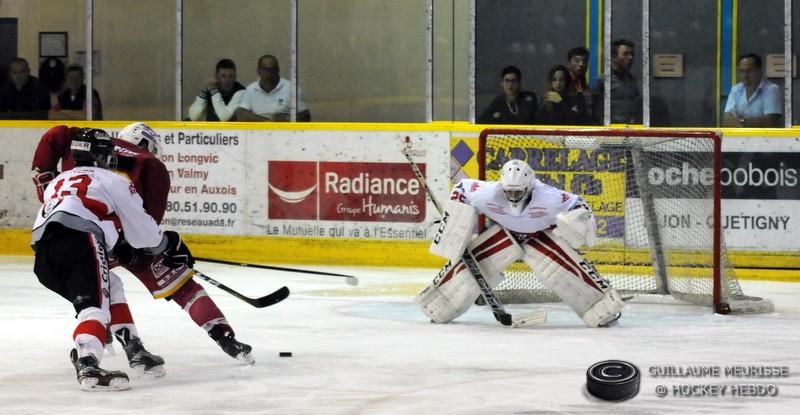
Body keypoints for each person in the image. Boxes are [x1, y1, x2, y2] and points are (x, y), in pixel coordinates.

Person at [31, 123, 254, 366]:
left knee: (104, 285)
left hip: (75, 235)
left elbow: (56, 134)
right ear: (146, 143)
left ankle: (129, 343)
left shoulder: (82, 148)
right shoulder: (151, 163)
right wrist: (166, 246)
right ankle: (225, 336)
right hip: (123, 236)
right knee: (181, 284)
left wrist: (44, 177)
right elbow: (148, 224)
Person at [31, 128, 193, 391]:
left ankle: (134, 349)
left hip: (44, 254)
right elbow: (146, 235)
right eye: (108, 152)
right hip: (80, 242)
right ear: (101, 155)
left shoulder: (61, 180)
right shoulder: (112, 180)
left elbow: (81, 213)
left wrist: (118, 244)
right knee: (94, 306)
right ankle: (88, 362)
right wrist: (170, 243)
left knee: (111, 286)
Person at [416, 159, 624, 327]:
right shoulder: (487, 193)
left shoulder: (549, 197)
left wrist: (579, 223)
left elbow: (579, 204)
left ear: (529, 187)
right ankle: (438, 305)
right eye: (509, 191)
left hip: (539, 235)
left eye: (518, 192)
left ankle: (604, 307)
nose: (513, 196)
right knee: (466, 273)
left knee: (561, 275)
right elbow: (462, 188)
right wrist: (453, 222)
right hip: (505, 233)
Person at [235, 54, 310, 122]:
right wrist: (269, 122)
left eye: (272, 69)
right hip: (259, 133)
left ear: (278, 70)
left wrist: (287, 118)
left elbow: (305, 116)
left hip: (285, 132)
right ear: (258, 71)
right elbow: (242, 114)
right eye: (266, 70)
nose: (269, 73)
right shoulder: (251, 89)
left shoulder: (291, 88)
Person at [722, 53, 782, 128]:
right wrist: (755, 121)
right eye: (742, 71)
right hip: (738, 138)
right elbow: (726, 120)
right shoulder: (736, 89)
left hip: (765, 138)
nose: (745, 75)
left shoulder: (771, 89)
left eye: (749, 71)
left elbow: (769, 122)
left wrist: (740, 122)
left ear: (760, 71)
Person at [591, 39, 641, 124]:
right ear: (614, 57)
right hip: (611, 132)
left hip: (632, 130)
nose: (630, 58)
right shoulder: (603, 81)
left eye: (632, 54)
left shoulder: (633, 80)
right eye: (625, 54)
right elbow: (595, 112)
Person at [565, 46, 594, 125]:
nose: (581, 64)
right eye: (577, 61)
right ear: (569, 63)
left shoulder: (586, 86)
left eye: (585, 61)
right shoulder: (563, 85)